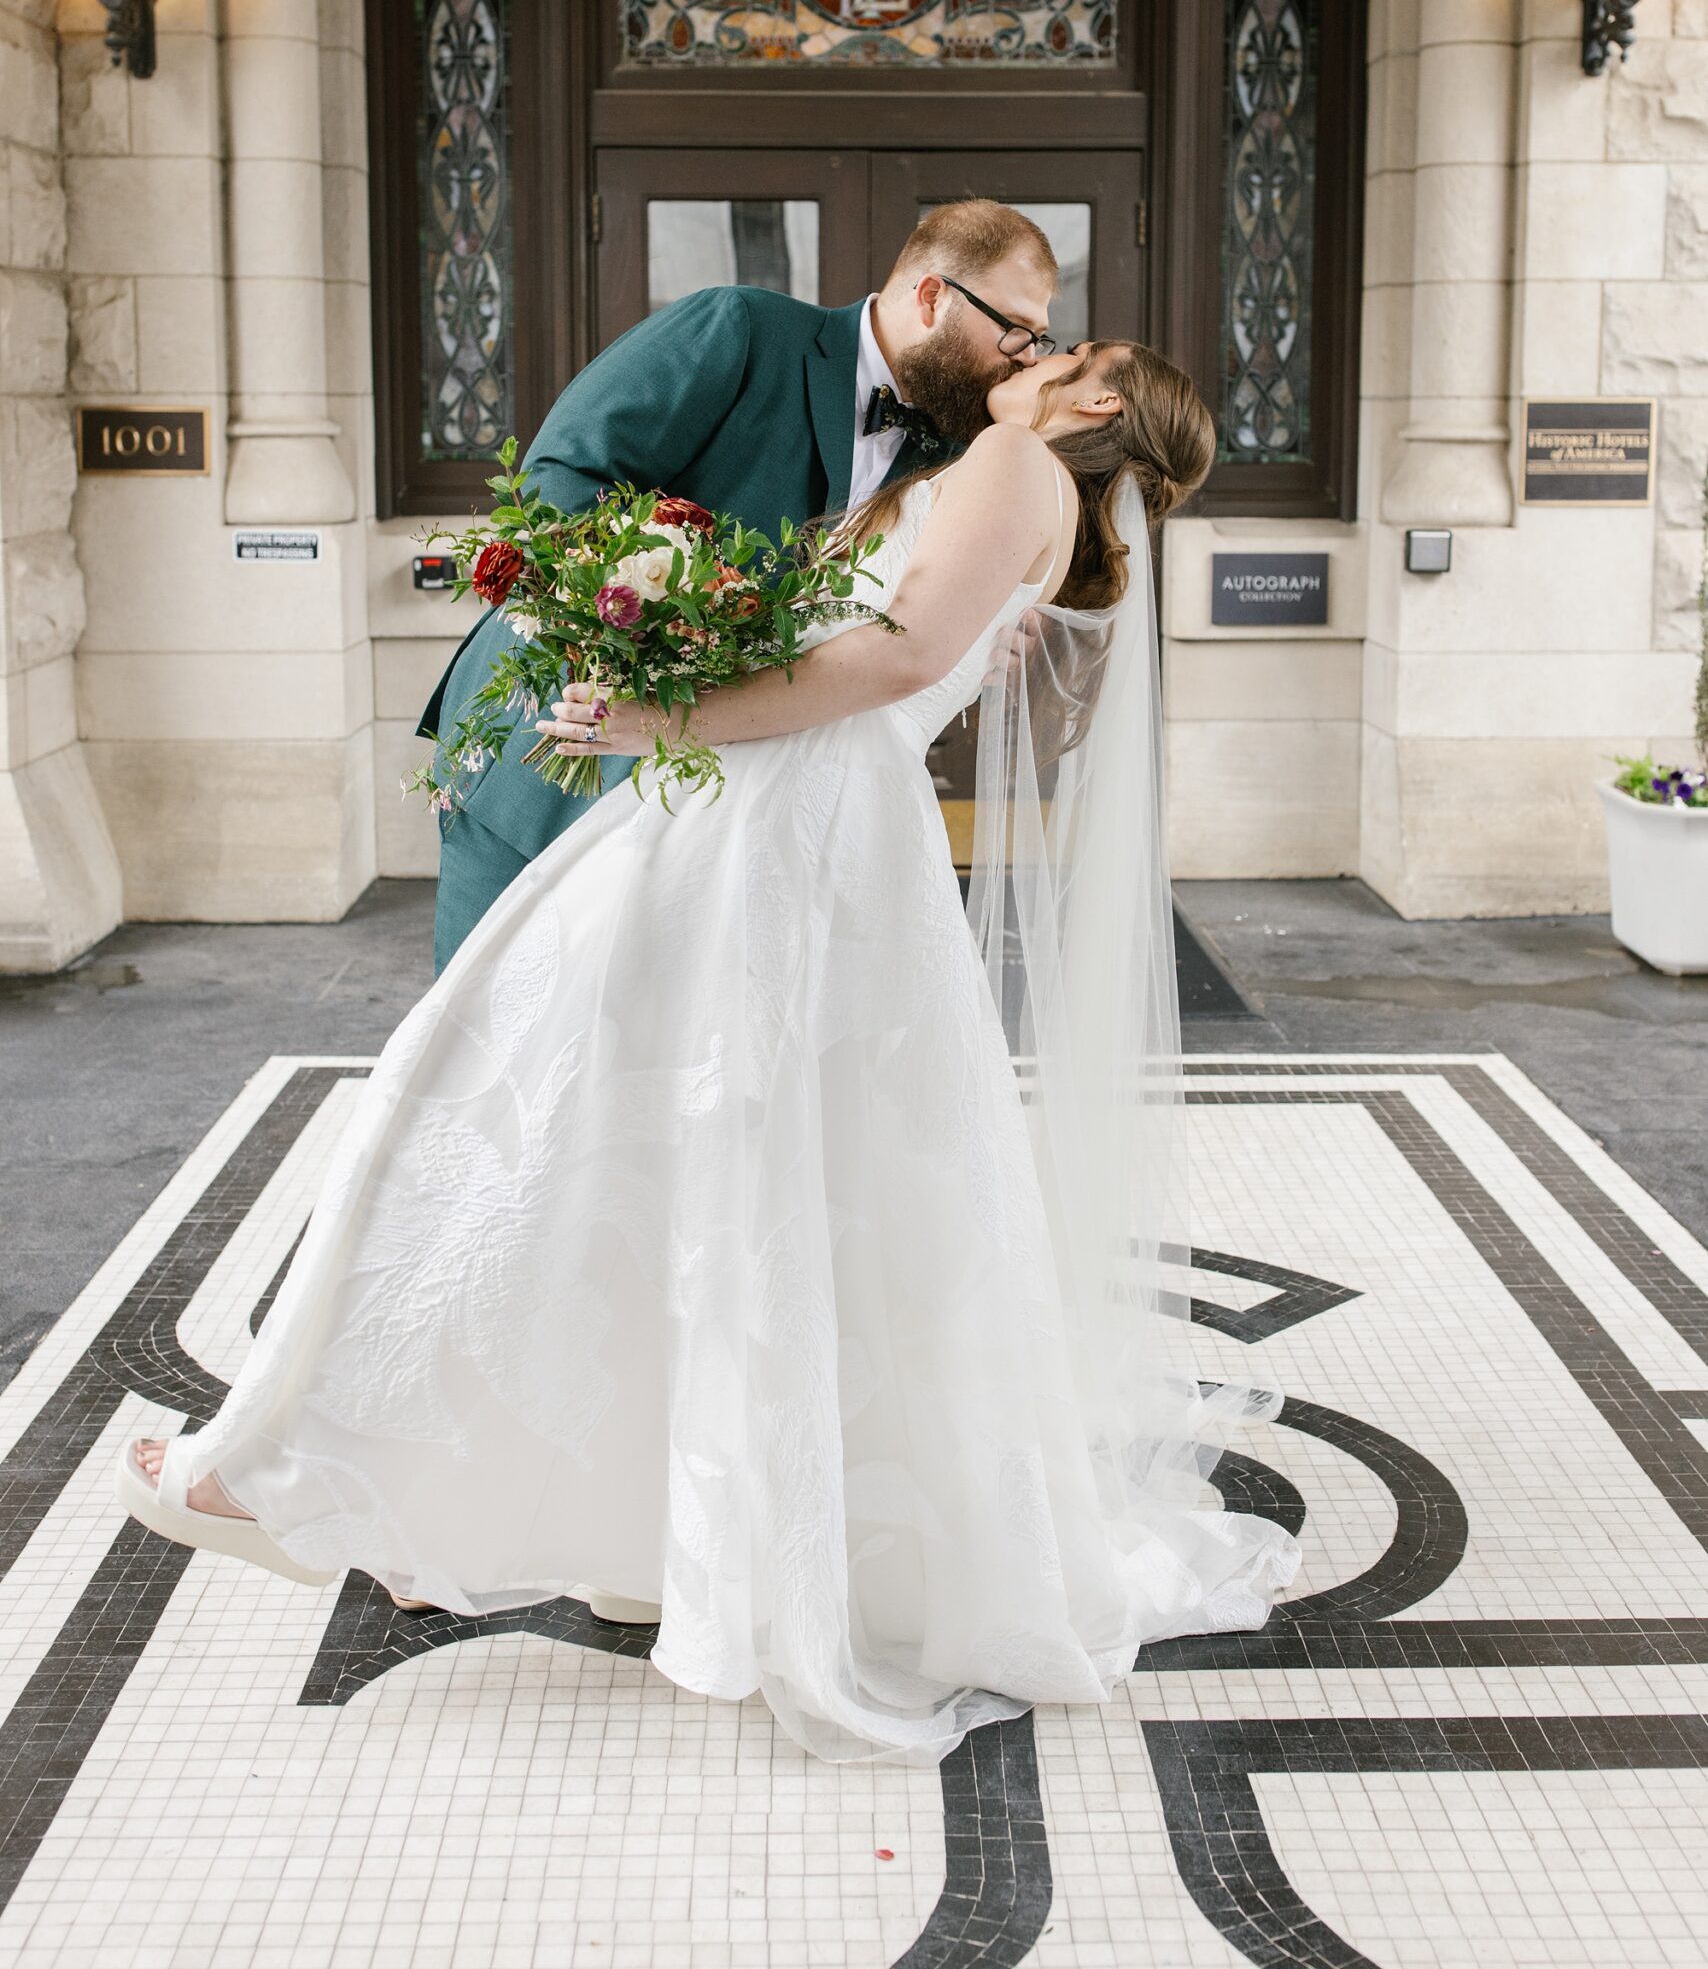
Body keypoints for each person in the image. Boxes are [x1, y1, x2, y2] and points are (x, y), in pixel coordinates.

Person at [115, 336, 1300, 1766]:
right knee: (666, 1166)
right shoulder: (1034, 497)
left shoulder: (1011, 464)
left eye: (1067, 350)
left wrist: (652, 707)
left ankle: (338, 1481)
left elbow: (900, 656)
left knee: (526, 1127)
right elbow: (914, 656)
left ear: (1097, 405)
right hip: (796, 835)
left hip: (778, 842)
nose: (1036, 354)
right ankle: (455, 1498)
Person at [420, 198, 1060, 971]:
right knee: (484, 1040)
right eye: (1017, 330)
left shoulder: (962, 449)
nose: (1027, 356)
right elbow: (563, 476)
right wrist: (641, 635)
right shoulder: (741, 329)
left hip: (723, 812)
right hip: (554, 746)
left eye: (1039, 339)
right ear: (933, 298)